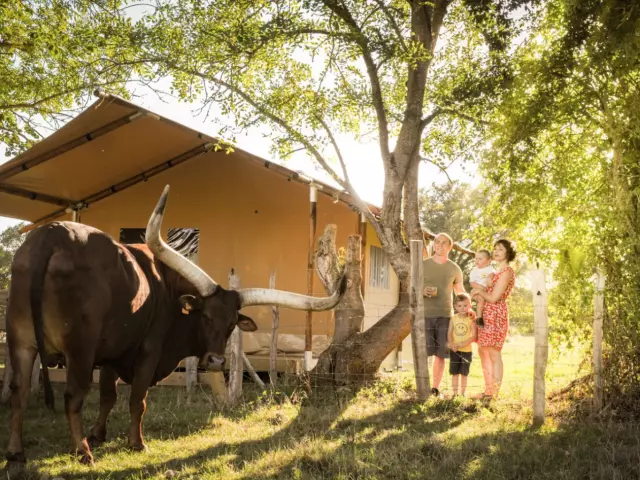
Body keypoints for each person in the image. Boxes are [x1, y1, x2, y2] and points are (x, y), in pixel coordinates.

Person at [470, 238, 517, 400]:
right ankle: (488, 391)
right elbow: (485, 294)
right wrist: (476, 294)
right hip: (487, 313)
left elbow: (494, 297)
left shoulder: (507, 272)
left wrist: (478, 291)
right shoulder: (495, 272)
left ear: (508, 253)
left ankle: (494, 394)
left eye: (501, 249)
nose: (496, 251)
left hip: (496, 314)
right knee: (484, 351)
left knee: (494, 353)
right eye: (495, 249)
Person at [423, 233, 465, 397]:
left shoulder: (454, 268)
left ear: (450, 247)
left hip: (445, 316)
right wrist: (421, 290)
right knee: (423, 352)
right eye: (436, 242)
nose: (439, 245)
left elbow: (460, 291)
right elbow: (411, 287)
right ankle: (422, 386)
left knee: (440, 354)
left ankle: (434, 388)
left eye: (443, 243)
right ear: (433, 245)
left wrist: (471, 304)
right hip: (424, 315)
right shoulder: (423, 265)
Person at [447, 293, 477, 397]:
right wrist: (452, 344)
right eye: (459, 306)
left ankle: (462, 393)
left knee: (464, 373)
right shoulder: (453, 318)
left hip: (466, 351)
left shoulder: (471, 319)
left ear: (469, 306)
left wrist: (462, 344)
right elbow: (449, 333)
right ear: (455, 307)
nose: (462, 308)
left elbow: (474, 336)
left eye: (465, 305)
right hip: (455, 350)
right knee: (455, 373)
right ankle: (455, 394)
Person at [469, 249, 496, 327]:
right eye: (476, 258)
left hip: (485, 292)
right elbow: (472, 282)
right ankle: (479, 318)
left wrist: (489, 278)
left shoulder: (489, 268)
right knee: (480, 299)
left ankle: (477, 315)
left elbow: (492, 274)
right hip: (476, 289)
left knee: (481, 301)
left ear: (488, 261)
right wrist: (480, 287)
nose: (477, 260)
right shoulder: (474, 270)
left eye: (480, 259)